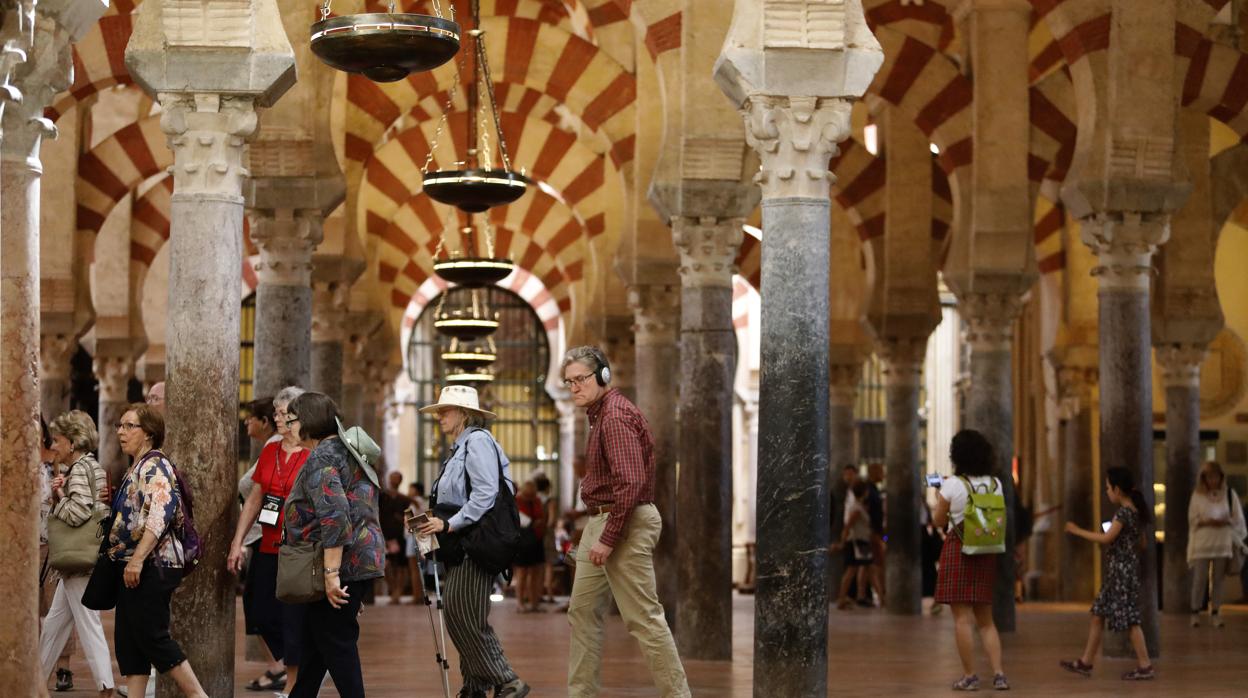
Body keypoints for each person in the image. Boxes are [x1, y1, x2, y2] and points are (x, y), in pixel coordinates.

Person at [561, 346, 690, 698]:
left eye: (580, 379)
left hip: (623, 519)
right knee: (583, 612)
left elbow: (630, 482)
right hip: (603, 520)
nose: (574, 387)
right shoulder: (600, 415)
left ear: (603, 376)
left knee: (643, 617)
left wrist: (608, 538)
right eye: (569, 381)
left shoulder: (615, 416)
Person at [415, 385, 531, 698]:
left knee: (460, 612)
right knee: (460, 612)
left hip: (475, 542)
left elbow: (485, 494)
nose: (440, 416)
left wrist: (450, 523)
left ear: (465, 414)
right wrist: (431, 520)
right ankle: (475, 686)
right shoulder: (458, 448)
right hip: (460, 542)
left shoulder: (477, 441)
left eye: (446, 410)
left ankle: (506, 679)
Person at [281, 392, 384, 698]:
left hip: (342, 564)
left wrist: (331, 575)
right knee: (317, 647)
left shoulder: (323, 457)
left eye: (292, 420)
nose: (287, 426)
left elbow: (335, 517)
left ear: (309, 420)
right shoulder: (344, 450)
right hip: (358, 561)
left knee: (337, 645)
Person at [108, 403, 207, 697]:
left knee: (152, 636)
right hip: (136, 563)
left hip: (154, 563)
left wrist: (137, 560)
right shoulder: (137, 466)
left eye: (129, 426)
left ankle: (198, 695)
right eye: (120, 425)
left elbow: (160, 513)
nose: (121, 432)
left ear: (148, 434)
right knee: (128, 638)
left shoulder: (154, 465)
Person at [228, 390, 309, 692]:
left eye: (281, 412)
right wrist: (237, 542)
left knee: (292, 615)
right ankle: (289, 668)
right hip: (267, 539)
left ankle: (293, 684)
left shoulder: (313, 450)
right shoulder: (271, 450)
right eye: (274, 412)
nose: (275, 417)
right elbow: (255, 497)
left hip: (299, 546)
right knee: (260, 609)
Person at [39, 411, 115, 696]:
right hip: (79, 561)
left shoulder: (81, 469)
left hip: (78, 559)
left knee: (87, 623)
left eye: (58, 440)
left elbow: (78, 512)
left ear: (73, 443)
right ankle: (36, 680)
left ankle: (105, 684)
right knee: (56, 624)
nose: (54, 446)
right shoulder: (89, 466)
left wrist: (59, 496)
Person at [1060, 466, 1155, 681]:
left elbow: (1106, 539)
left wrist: (1077, 531)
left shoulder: (1123, 513)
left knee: (1130, 619)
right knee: (1098, 615)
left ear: (1118, 490)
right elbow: (1142, 543)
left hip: (1120, 573)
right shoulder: (1136, 512)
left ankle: (1145, 665)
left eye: (1108, 488)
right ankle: (1086, 662)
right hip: (1124, 570)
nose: (1107, 492)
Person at [932, 429, 1009, 691]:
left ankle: (970, 675)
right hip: (986, 551)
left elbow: (938, 521)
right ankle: (999, 674)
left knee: (962, 618)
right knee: (986, 620)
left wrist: (937, 496)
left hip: (959, 549)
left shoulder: (953, 484)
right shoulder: (995, 484)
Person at [1187, 461, 1246, 627]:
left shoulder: (1229, 495)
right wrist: (1205, 521)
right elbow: (1192, 518)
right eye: (1209, 477)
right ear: (1203, 478)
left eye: (1216, 477)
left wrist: (1225, 521)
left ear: (1221, 478)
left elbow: (1238, 519)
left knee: (1218, 579)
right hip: (1202, 545)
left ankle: (1216, 612)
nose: (1213, 481)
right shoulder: (1197, 495)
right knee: (1200, 579)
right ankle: (1195, 612)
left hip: (1222, 543)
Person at [832, 480, 875, 610]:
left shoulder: (858, 506)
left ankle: (859, 596)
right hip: (857, 542)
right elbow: (848, 526)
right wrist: (842, 542)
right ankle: (842, 598)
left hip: (860, 541)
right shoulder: (856, 508)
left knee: (863, 568)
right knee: (852, 570)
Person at [380, 470, 414, 604]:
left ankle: (398, 592)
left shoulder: (404, 499)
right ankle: (392, 589)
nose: (394, 481)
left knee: (401, 565)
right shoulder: (382, 496)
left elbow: (411, 513)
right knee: (386, 564)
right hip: (385, 535)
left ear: (400, 481)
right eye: (392, 478)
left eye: (396, 478)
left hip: (400, 536)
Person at [513, 479, 546, 613]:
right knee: (522, 573)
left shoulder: (536, 500)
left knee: (536, 573)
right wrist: (532, 522)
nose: (530, 499)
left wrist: (539, 523)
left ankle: (534, 602)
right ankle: (520, 602)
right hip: (521, 541)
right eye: (528, 496)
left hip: (536, 540)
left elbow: (542, 517)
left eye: (532, 496)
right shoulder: (516, 501)